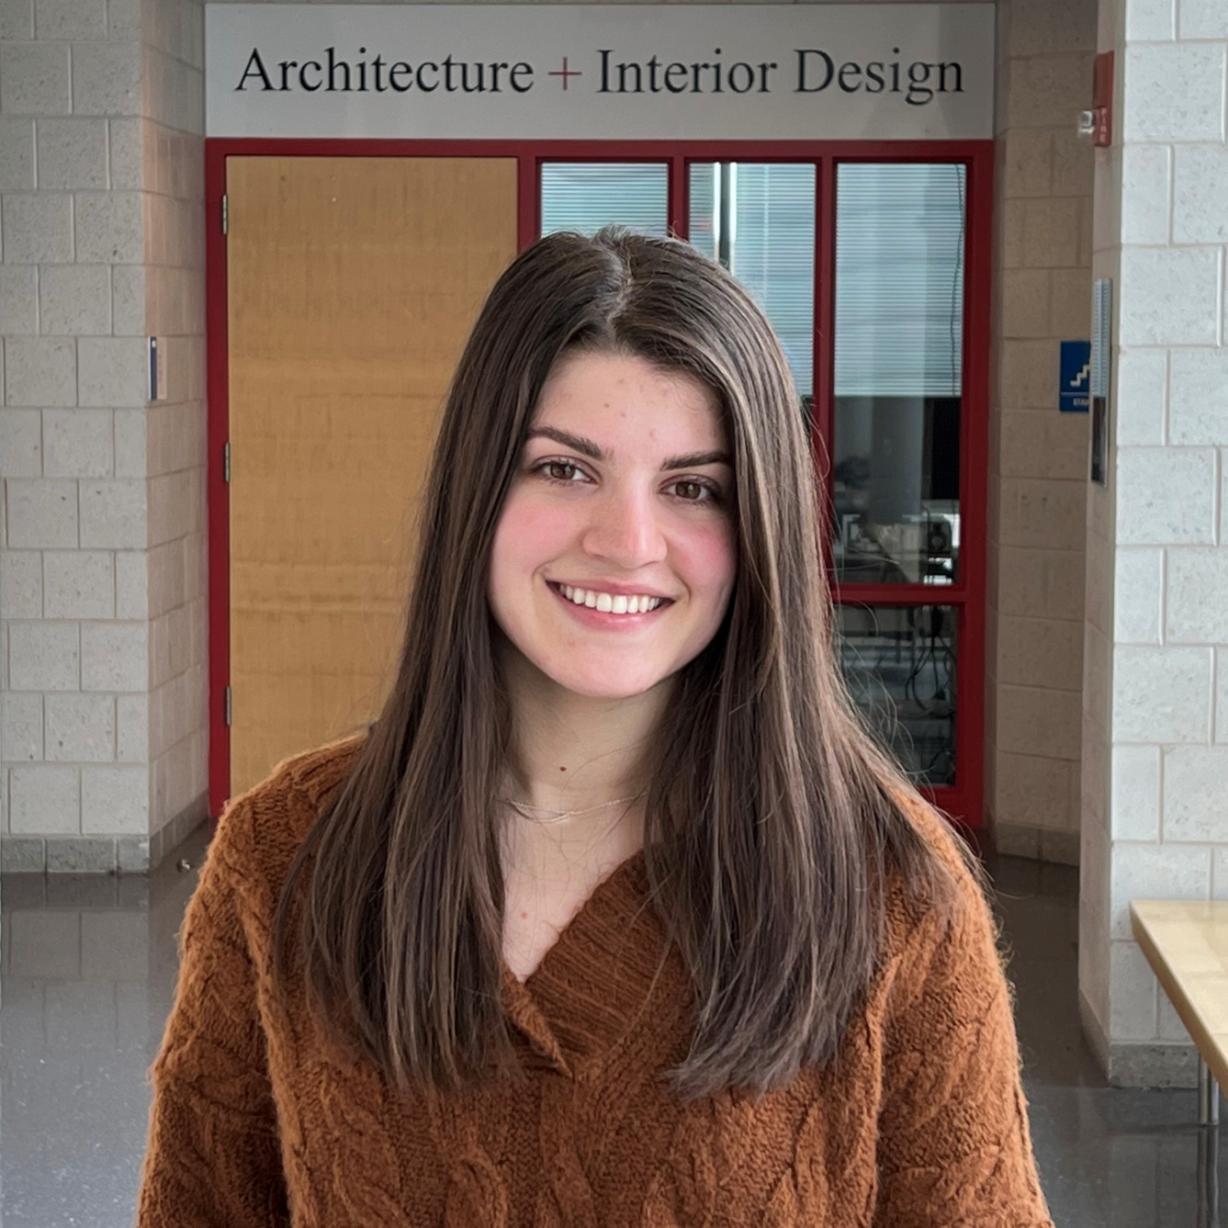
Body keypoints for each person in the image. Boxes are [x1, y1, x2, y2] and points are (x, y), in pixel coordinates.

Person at [136, 226, 1054, 1226]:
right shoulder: (288, 857)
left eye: (693, 488)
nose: (627, 542)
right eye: (563, 469)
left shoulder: (886, 887)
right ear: (475, 489)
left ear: (758, 530)